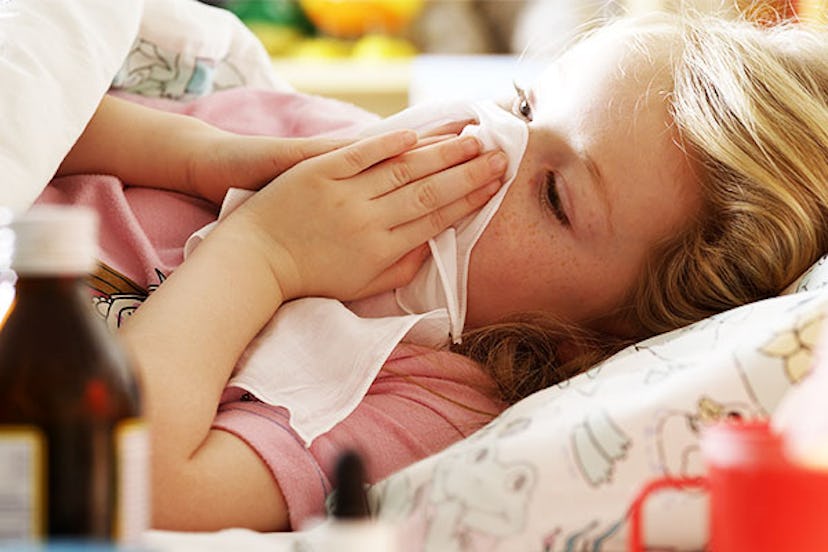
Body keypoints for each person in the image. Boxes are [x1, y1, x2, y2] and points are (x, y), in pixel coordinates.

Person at [41, 9, 828, 534]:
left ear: (587, 341)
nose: (492, 145)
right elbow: (48, 111)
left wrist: (265, 254)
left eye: (554, 193)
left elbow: (123, 482)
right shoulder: (341, 149)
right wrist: (203, 156)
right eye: (523, 106)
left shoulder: (431, 401)